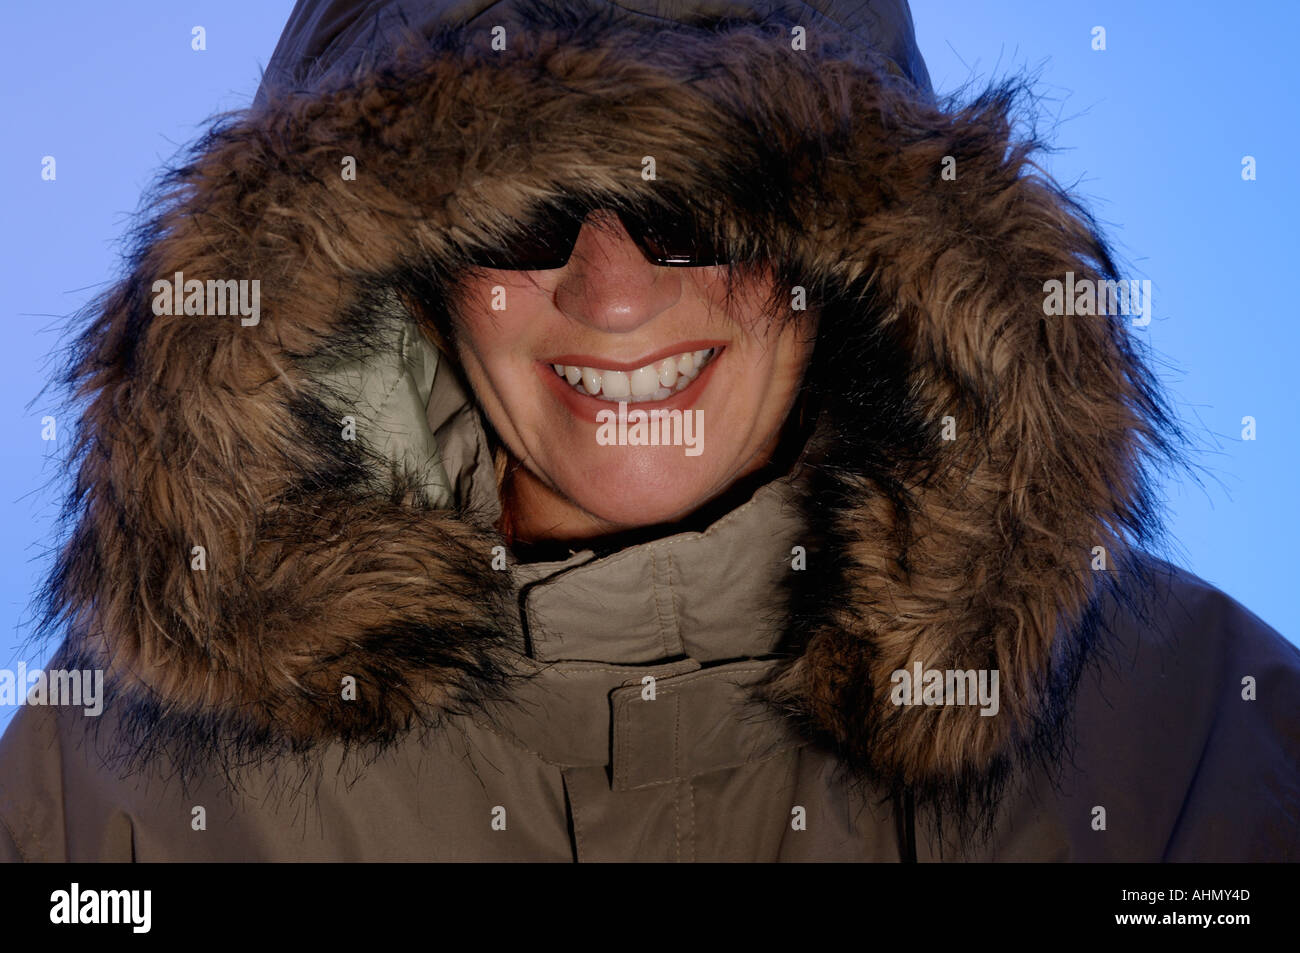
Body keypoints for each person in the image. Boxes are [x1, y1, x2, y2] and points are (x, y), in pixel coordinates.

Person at [0, 0, 1295, 862]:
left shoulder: (1199, 742)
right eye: (527, 215)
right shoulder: (104, 795)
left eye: (700, 212)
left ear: (853, 253)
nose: (613, 293)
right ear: (408, 262)